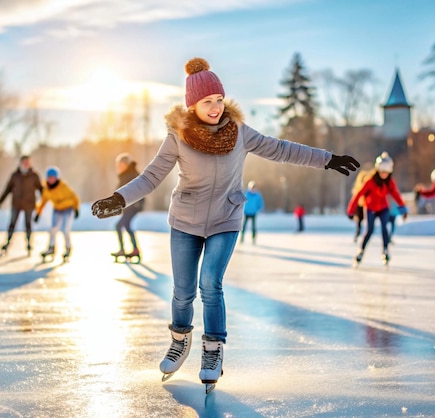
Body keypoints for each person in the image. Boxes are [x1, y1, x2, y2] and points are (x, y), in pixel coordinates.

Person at [90, 57, 359, 392]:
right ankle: (179, 339)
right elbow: (151, 177)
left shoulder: (240, 133)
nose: (216, 108)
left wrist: (327, 159)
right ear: (193, 105)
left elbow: (282, 149)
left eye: (219, 100)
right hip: (185, 221)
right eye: (207, 102)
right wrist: (119, 199)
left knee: (210, 284)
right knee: (183, 291)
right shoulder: (178, 136)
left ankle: (213, 349)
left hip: (225, 219)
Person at [346, 152, 407, 266]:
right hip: (370, 208)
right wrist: (351, 210)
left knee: (385, 229)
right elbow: (358, 194)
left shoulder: (389, 182)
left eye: (386, 173)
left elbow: (396, 194)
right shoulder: (370, 181)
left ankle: (385, 250)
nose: (384, 175)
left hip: (383, 208)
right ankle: (360, 252)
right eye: (382, 172)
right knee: (369, 230)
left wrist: (403, 207)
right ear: (378, 170)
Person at [0, 155, 43, 254]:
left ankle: (29, 243)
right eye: (24, 162)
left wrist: (47, 198)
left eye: (28, 162)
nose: (26, 164)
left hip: (29, 204)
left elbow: (41, 189)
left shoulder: (34, 175)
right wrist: (1, 200)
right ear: (21, 163)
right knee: (12, 223)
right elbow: (8, 189)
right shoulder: (15, 175)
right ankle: (8, 242)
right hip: (16, 204)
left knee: (28, 224)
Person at [34, 166, 80, 262]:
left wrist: (76, 209)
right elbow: (42, 202)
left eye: (53, 177)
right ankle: (51, 247)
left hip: (68, 208)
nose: (51, 179)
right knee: (53, 229)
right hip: (57, 209)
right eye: (49, 177)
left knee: (64, 229)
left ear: (57, 178)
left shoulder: (63, 186)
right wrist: (38, 213)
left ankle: (68, 248)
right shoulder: (46, 189)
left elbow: (74, 196)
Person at [110, 153, 145, 261]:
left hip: (133, 205)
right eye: (118, 165)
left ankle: (125, 250)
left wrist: (138, 203)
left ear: (126, 164)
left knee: (120, 225)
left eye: (121, 165)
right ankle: (134, 250)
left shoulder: (132, 174)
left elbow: (141, 188)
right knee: (125, 226)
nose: (119, 167)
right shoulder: (125, 174)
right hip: (128, 206)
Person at [350, 170, 370, 243]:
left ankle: (365, 235)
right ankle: (358, 234)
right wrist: (351, 211)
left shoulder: (367, 185)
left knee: (366, 223)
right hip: (359, 207)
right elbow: (355, 198)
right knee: (359, 223)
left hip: (365, 206)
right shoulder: (358, 187)